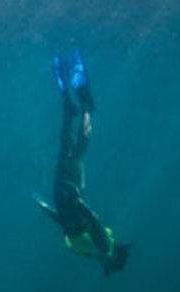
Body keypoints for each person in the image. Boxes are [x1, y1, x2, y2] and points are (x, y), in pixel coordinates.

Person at [37, 49, 129, 275]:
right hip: (71, 194)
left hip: (62, 198)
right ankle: (85, 109)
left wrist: (46, 208)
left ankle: (71, 109)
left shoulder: (89, 254)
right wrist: (78, 202)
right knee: (77, 151)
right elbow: (94, 222)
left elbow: (66, 225)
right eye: (110, 266)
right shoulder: (104, 247)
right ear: (114, 258)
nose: (105, 267)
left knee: (69, 150)